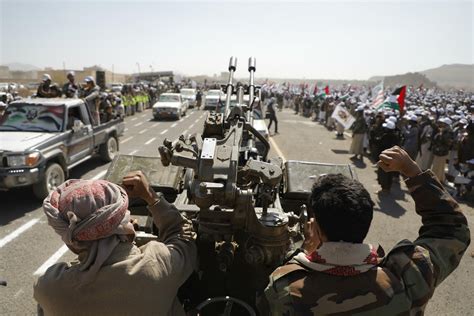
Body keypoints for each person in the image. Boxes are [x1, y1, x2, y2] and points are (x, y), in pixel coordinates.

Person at [259, 146, 470, 315]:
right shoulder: (410, 277)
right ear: (365, 221)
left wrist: (304, 250)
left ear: (315, 228)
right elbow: (451, 230)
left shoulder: (285, 290)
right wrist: (412, 171)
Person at [34, 171, 197, 315]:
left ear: (71, 241)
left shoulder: (49, 287)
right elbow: (183, 237)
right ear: (122, 224)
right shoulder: (159, 264)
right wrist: (150, 196)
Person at [376, 120, 400, 194]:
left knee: (383, 173)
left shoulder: (385, 136)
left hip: (385, 157)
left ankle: (384, 189)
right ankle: (387, 188)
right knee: (389, 173)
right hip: (392, 157)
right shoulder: (396, 136)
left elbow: (381, 147)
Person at [431, 117, 454, 183]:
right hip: (439, 151)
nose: (442, 124)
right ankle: (437, 178)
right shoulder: (444, 131)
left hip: (442, 152)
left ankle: (437, 179)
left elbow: (447, 142)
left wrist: (441, 134)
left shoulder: (448, 132)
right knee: (437, 166)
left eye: (443, 123)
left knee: (438, 166)